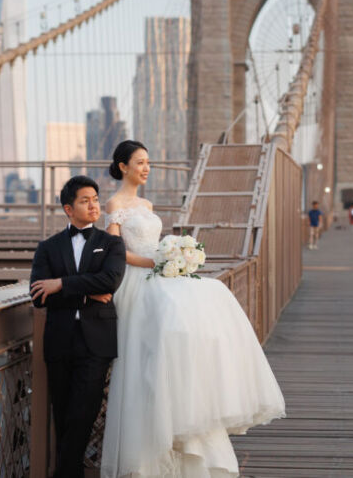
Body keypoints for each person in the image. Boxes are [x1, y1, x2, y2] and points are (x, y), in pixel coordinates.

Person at [101, 140, 285, 478]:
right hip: (140, 279)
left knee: (209, 299)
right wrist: (157, 261)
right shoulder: (115, 203)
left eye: (148, 162)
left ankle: (186, 418)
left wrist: (174, 258)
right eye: (140, 162)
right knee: (166, 332)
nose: (146, 168)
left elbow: (154, 244)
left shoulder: (146, 202)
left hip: (158, 272)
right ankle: (153, 447)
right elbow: (115, 251)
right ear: (123, 166)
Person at [29, 175, 126, 478]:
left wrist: (61, 285)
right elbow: (38, 296)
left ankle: (64, 473)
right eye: (85, 200)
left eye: (96, 199)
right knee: (63, 414)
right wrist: (86, 291)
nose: (94, 205)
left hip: (95, 342)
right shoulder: (48, 247)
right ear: (68, 209)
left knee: (84, 413)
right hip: (59, 342)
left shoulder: (110, 243)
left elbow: (111, 281)